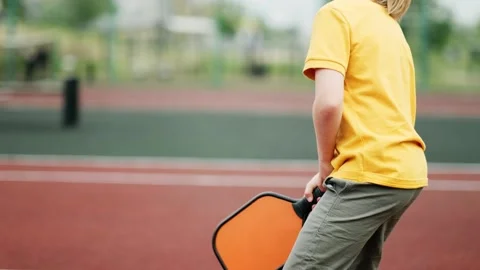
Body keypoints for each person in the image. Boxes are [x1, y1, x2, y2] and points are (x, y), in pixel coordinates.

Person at [282, 0, 428, 269]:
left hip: (369, 172)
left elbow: (329, 103)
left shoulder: (335, 14)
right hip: (405, 171)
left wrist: (326, 166)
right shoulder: (389, 24)